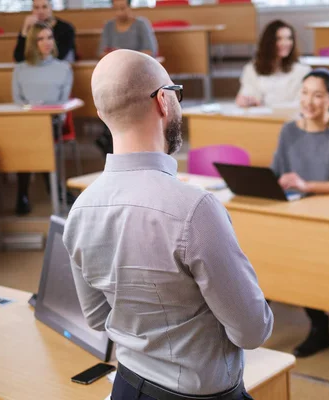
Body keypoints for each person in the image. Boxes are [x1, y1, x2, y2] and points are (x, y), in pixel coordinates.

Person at [63, 49, 273, 400]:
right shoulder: (195, 209)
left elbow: (98, 319)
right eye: (175, 92)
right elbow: (252, 332)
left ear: (101, 115)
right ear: (163, 100)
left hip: (128, 388)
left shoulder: (80, 209)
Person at [271, 68, 329, 358]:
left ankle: (320, 325)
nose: (309, 101)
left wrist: (306, 184)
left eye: (318, 95)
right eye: (305, 93)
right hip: (296, 216)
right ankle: (258, 319)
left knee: (302, 250)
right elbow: (276, 174)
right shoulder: (288, 130)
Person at [12, 22, 73, 215]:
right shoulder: (20, 69)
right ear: (32, 42)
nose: (47, 42)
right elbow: (18, 100)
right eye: (41, 38)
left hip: (53, 122)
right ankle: (53, 188)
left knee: (35, 137)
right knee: (27, 137)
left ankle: (23, 194)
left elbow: (63, 102)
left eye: (49, 37)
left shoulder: (63, 68)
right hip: (27, 121)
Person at [236, 20, 311, 108]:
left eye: (289, 38)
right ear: (268, 42)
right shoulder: (251, 69)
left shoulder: (302, 70)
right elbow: (247, 93)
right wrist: (246, 100)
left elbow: (301, 102)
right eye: (279, 39)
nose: (285, 43)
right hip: (260, 117)